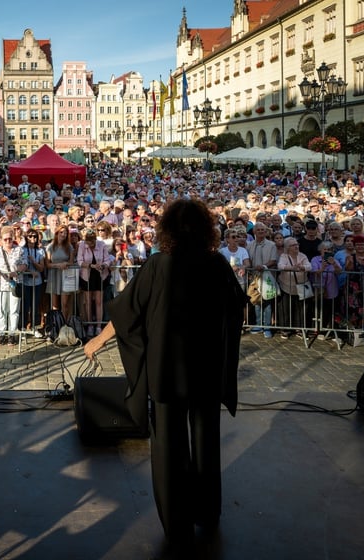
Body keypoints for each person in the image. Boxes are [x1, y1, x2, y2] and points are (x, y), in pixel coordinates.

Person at [83, 199, 246, 546]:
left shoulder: (158, 265)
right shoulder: (218, 264)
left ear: (167, 230)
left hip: (167, 369)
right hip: (205, 368)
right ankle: (207, 510)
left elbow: (128, 313)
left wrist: (98, 339)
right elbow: (236, 308)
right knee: (206, 442)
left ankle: (177, 521)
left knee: (169, 447)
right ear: (207, 229)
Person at [0, 228, 27, 346]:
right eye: (5, 239)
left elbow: (24, 264)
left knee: (14, 310)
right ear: (1, 240)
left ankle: (12, 334)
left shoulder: (19, 250)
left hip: (15, 282)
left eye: (10, 239)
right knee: (1, 310)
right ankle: (1, 333)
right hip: (0, 284)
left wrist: (17, 272)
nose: (8, 241)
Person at [76, 229, 114, 337]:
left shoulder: (101, 245)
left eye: (92, 242)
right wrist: (91, 265)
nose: (90, 244)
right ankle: (90, 326)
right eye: (88, 242)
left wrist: (103, 266)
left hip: (100, 275)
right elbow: (79, 261)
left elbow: (107, 260)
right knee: (88, 301)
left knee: (98, 302)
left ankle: (98, 326)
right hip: (87, 275)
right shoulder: (82, 245)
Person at [277, 237, 313, 338]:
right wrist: (291, 268)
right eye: (293, 245)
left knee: (301, 309)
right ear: (288, 247)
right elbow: (280, 266)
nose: (296, 246)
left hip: (301, 286)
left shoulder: (302, 255)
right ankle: (286, 329)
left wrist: (303, 267)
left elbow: (309, 266)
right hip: (287, 286)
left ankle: (301, 329)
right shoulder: (284, 256)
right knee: (286, 308)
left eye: (297, 244)